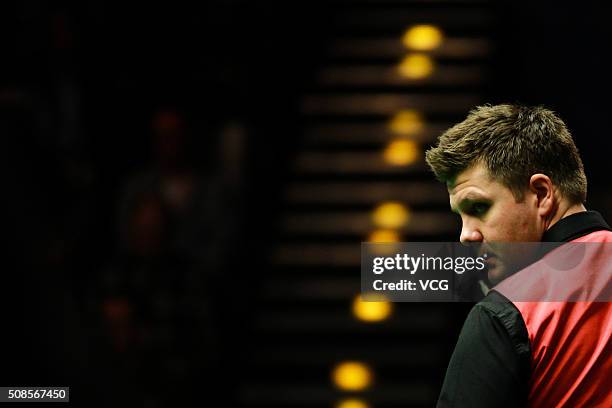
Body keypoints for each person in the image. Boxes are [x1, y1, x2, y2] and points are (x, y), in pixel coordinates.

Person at [425, 104, 611, 407]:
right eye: (461, 217)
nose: (465, 235)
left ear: (541, 194)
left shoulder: (505, 314)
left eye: (479, 208)